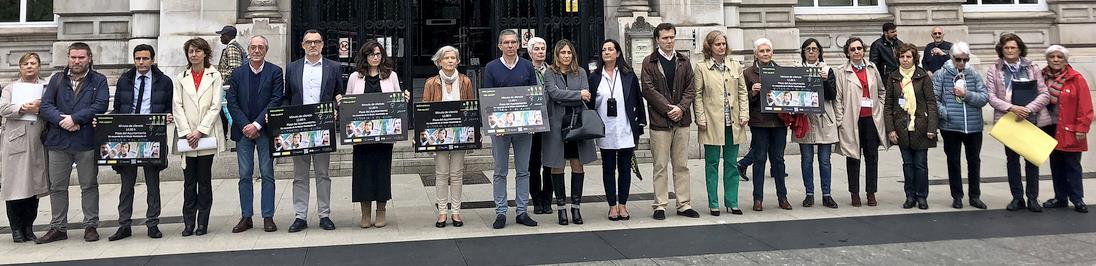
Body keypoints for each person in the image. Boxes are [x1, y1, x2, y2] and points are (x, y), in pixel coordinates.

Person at [37, 42, 111, 244]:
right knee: (57, 187)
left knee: (88, 185)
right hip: (58, 141)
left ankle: (90, 226)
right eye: (73, 57)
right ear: (68, 58)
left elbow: (101, 105)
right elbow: (45, 105)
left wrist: (75, 119)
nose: (77, 61)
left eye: (81, 57)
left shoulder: (99, 80)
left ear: (89, 58)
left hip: (86, 140)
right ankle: (58, 227)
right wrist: (64, 121)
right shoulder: (57, 79)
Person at [107, 44, 173, 241]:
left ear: (152, 60)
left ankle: (152, 223)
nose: (141, 62)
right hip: (127, 135)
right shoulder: (125, 80)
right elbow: (117, 108)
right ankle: (124, 224)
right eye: (138, 59)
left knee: (153, 183)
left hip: (152, 136)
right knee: (126, 184)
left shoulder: (164, 81)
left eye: (145, 58)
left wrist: (167, 116)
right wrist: (105, 120)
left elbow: (169, 107)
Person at [283, 29, 345, 233]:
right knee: (299, 175)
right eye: (308, 42)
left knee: (323, 174)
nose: (312, 45)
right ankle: (300, 215)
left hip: (322, 128)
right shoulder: (292, 68)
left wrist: (337, 107)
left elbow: (339, 94)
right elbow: (287, 96)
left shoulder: (334, 67)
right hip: (299, 128)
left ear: (322, 44)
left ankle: (324, 214)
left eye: (316, 42)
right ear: (302, 45)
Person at [986, 33, 1052, 212]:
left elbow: (1044, 94)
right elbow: (990, 96)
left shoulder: (1032, 67)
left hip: (1031, 117)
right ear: (1001, 49)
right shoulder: (994, 69)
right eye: (1006, 47)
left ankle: (1032, 198)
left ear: (1020, 49)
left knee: (1031, 159)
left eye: (1013, 47)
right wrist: (1012, 108)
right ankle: (1017, 197)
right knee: (1012, 160)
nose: (1009, 50)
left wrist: (1028, 108)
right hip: (1009, 119)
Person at [344, 40, 407, 229]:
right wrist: (342, 101)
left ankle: (381, 210)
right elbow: (349, 101)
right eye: (371, 54)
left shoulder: (391, 75)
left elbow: (397, 101)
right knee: (362, 171)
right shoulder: (355, 77)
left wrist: (404, 98)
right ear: (365, 56)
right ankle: (365, 212)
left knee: (381, 170)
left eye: (378, 54)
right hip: (361, 136)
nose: (375, 57)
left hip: (384, 134)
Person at [226, 35, 285, 233]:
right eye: (253, 47)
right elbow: (231, 102)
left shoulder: (275, 72)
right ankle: (246, 216)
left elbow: (276, 100)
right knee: (244, 175)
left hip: (265, 131)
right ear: (248, 50)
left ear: (266, 50)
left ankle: (268, 216)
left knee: (267, 174)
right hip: (243, 133)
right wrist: (246, 126)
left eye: (261, 47)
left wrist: (257, 124)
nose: (257, 50)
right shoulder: (237, 73)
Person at [641, 23, 700, 220]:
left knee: (681, 164)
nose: (669, 41)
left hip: (682, 121)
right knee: (660, 165)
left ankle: (684, 204)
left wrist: (681, 108)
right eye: (665, 38)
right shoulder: (649, 62)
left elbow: (691, 88)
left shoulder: (683, 60)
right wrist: (669, 109)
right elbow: (648, 90)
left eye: (671, 37)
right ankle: (660, 205)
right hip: (660, 122)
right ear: (657, 39)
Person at [483, 29, 539, 229]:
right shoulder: (491, 68)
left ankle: (522, 211)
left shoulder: (527, 66)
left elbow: (534, 95)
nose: (510, 45)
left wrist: (534, 122)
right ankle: (500, 212)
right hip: (500, 129)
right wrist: (492, 125)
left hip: (523, 127)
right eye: (506, 42)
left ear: (518, 44)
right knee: (500, 171)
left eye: (513, 42)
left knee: (524, 171)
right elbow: (488, 98)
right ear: (499, 46)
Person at [173, 37, 225, 236]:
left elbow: (216, 105)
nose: (193, 55)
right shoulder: (180, 77)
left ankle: (202, 222)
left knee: (204, 181)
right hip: (188, 137)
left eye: (197, 51)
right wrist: (187, 132)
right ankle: (188, 222)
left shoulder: (215, 76)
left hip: (206, 134)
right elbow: (177, 106)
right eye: (190, 52)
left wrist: (200, 130)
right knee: (188, 182)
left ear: (205, 53)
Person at [692, 31, 748, 216]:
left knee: (732, 163)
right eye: (717, 44)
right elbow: (697, 95)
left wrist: (744, 114)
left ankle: (732, 201)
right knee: (712, 163)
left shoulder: (735, 66)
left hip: (733, 121)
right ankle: (713, 203)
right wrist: (700, 117)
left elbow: (742, 92)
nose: (721, 47)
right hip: (711, 122)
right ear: (710, 47)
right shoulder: (701, 67)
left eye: (723, 44)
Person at [542, 39, 596, 225]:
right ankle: (561, 209)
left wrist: (574, 95)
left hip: (577, 124)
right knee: (557, 164)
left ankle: (576, 208)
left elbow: (587, 94)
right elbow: (553, 94)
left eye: (569, 53)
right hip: (557, 125)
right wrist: (576, 94)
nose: (566, 56)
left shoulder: (580, 72)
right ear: (557, 55)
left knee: (577, 164)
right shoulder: (549, 73)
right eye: (562, 53)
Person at [590, 39, 645, 221]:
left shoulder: (628, 75)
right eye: (604, 49)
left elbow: (637, 99)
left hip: (625, 127)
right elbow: (590, 104)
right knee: (608, 169)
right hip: (606, 129)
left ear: (618, 53)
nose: (607, 52)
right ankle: (612, 206)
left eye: (611, 49)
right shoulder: (595, 77)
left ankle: (623, 205)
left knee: (624, 169)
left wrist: (641, 124)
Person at [422, 46, 476, 228]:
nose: (451, 61)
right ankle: (442, 212)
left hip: (460, 134)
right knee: (441, 173)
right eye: (447, 58)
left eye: (454, 58)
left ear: (458, 61)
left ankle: (456, 212)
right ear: (439, 61)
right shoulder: (431, 83)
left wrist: (472, 134)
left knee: (457, 173)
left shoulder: (465, 81)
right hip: (439, 134)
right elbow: (425, 110)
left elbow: (471, 108)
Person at [932, 41, 989, 210]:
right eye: (958, 59)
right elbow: (934, 99)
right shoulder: (941, 74)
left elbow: (984, 97)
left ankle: (975, 195)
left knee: (974, 161)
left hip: (973, 126)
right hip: (951, 126)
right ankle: (957, 195)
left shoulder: (974, 74)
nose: (962, 63)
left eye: (965, 59)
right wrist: (946, 113)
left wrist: (967, 95)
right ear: (952, 57)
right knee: (954, 162)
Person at [835, 37, 889, 207]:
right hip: (852, 119)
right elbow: (838, 98)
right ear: (848, 52)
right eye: (853, 49)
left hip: (871, 119)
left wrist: (879, 108)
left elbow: (881, 91)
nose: (857, 51)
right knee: (853, 156)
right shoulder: (841, 71)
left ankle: (871, 192)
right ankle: (854, 193)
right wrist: (840, 120)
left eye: (859, 48)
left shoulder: (872, 69)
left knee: (872, 156)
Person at [1, 53, 49, 243]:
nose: (29, 66)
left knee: (34, 185)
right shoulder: (10, 88)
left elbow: (54, 107)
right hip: (15, 141)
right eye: (25, 63)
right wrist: (22, 108)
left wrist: (40, 106)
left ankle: (29, 227)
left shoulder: (46, 87)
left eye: (33, 63)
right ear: (20, 67)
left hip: (37, 140)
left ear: (39, 66)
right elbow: (3, 108)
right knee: (15, 186)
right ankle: (16, 228)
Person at [884, 43, 939, 210]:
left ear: (914, 58)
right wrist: (890, 129)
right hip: (902, 127)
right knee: (907, 164)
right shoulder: (893, 77)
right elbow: (888, 105)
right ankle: (910, 196)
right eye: (902, 57)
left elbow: (931, 103)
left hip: (920, 126)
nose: (905, 60)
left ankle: (922, 196)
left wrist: (932, 127)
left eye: (908, 57)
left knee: (920, 164)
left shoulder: (922, 76)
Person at [1040, 45, 1093, 213]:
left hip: (1070, 128)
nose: (1056, 60)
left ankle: (1077, 198)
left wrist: (1082, 127)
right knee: (1056, 164)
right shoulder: (1041, 77)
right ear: (1047, 59)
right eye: (1052, 57)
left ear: (1065, 60)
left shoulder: (1076, 78)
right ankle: (1060, 197)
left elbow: (1085, 105)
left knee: (1072, 164)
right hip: (1049, 127)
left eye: (1059, 57)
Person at [744, 38, 793, 211]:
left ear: (772, 53)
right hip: (759, 122)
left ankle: (783, 197)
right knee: (759, 159)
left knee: (778, 160)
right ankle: (758, 199)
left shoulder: (780, 71)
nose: (765, 54)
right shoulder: (748, 73)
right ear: (755, 54)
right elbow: (743, 100)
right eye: (762, 51)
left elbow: (790, 95)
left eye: (768, 51)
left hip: (779, 122)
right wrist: (753, 92)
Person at [792, 38, 840, 209]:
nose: (811, 52)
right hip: (805, 120)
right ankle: (809, 194)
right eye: (808, 49)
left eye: (814, 49)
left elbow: (832, 95)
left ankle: (827, 194)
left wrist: (826, 81)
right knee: (806, 159)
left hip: (823, 119)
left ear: (820, 52)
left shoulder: (827, 69)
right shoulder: (797, 69)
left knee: (825, 160)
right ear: (803, 52)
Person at [525, 37, 555, 215]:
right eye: (536, 49)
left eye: (543, 48)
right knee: (533, 163)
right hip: (532, 122)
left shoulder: (552, 70)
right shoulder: (525, 70)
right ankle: (536, 199)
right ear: (530, 52)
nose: (540, 51)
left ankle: (548, 198)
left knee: (550, 162)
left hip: (550, 120)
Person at [217, 25, 245, 141]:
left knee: (226, 111)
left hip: (228, 86)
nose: (220, 38)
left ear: (228, 36)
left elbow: (235, 67)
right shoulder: (234, 46)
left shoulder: (231, 48)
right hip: (230, 85)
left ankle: (232, 134)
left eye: (222, 35)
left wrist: (222, 79)